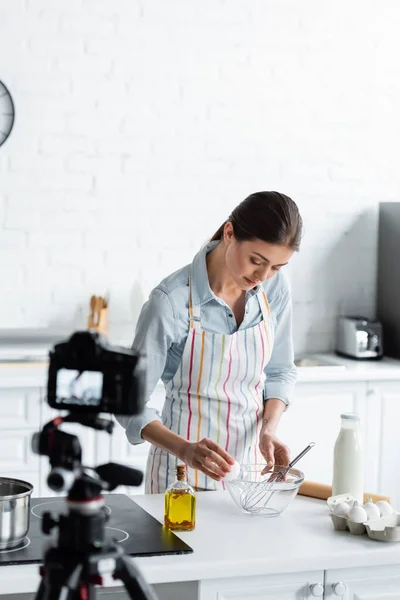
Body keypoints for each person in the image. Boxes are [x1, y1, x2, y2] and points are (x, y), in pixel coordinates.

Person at [117, 191, 303, 493]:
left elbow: (281, 371)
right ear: (229, 233)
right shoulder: (171, 302)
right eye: (256, 260)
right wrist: (186, 449)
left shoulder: (275, 288)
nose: (263, 275)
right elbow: (128, 403)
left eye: (277, 267)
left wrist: (269, 429)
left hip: (249, 480)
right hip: (179, 481)